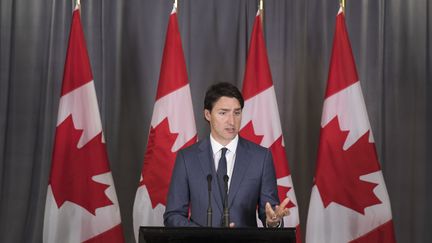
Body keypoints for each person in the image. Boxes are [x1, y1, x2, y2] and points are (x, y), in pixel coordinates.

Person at [164, 82, 290, 228]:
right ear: (207, 114)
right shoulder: (187, 158)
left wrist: (273, 221)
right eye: (223, 113)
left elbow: (269, 212)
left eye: (237, 113)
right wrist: (205, 238)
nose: (231, 121)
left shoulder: (261, 158)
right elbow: (173, 215)